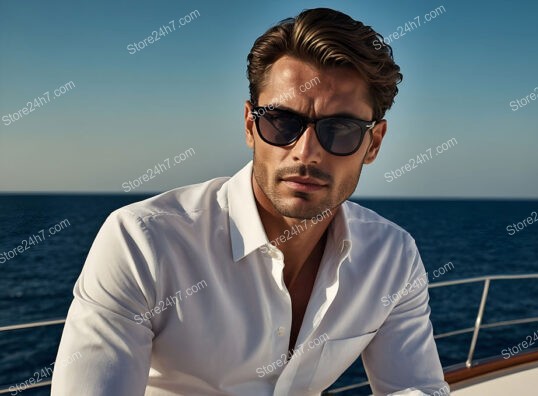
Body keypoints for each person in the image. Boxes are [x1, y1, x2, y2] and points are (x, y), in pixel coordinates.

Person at [52, 7, 448, 396]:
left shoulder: (392, 256)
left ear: (374, 143)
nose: (305, 153)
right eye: (281, 122)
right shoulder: (142, 241)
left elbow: (417, 388)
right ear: (250, 125)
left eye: (340, 130)